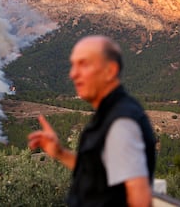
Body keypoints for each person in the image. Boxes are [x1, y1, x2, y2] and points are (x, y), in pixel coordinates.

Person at [28, 35, 156, 207]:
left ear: (110, 71)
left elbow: (140, 198)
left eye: (83, 64)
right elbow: (97, 173)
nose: (73, 74)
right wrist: (60, 153)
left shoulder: (121, 123)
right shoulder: (108, 114)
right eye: (73, 65)